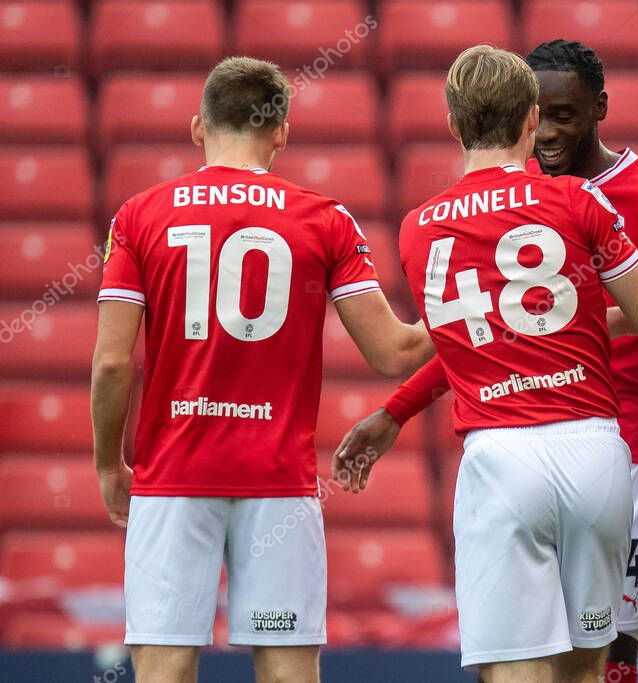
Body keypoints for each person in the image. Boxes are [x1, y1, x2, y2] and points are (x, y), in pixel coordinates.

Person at [337, 39, 638, 683]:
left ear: (452, 123)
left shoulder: (420, 226)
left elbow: (452, 338)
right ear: (531, 117)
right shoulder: (580, 201)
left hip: (501, 453)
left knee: (512, 665)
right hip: (598, 450)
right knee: (594, 664)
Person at [90, 56, 434, 683]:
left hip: (173, 479)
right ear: (281, 132)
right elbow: (395, 353)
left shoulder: (138, 216)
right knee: (287, 670)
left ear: (198, 126)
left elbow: (113, 363)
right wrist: (479, 305)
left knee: (164, 669)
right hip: (278, 482)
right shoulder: (325, 219)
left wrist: (109, 466)